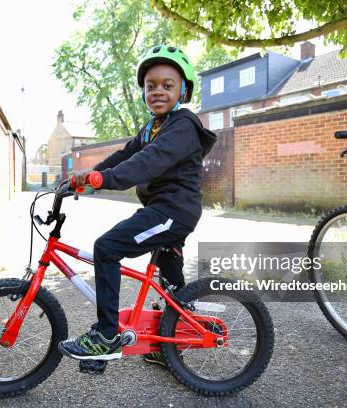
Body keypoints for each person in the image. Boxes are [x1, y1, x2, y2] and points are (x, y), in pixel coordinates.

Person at [58, 45, 217, 364]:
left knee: (108, 247)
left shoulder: (183, 125)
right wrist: (89, 174)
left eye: (167, 85)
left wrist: (106, 180)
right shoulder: (151, 128)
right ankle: (171, 343)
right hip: (165, 210)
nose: (158, 91)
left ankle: (105, 336)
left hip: (174, 211)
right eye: (151, 85)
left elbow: (149, 161)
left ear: (183, 90)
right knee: (170, 278)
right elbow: (124, 155)